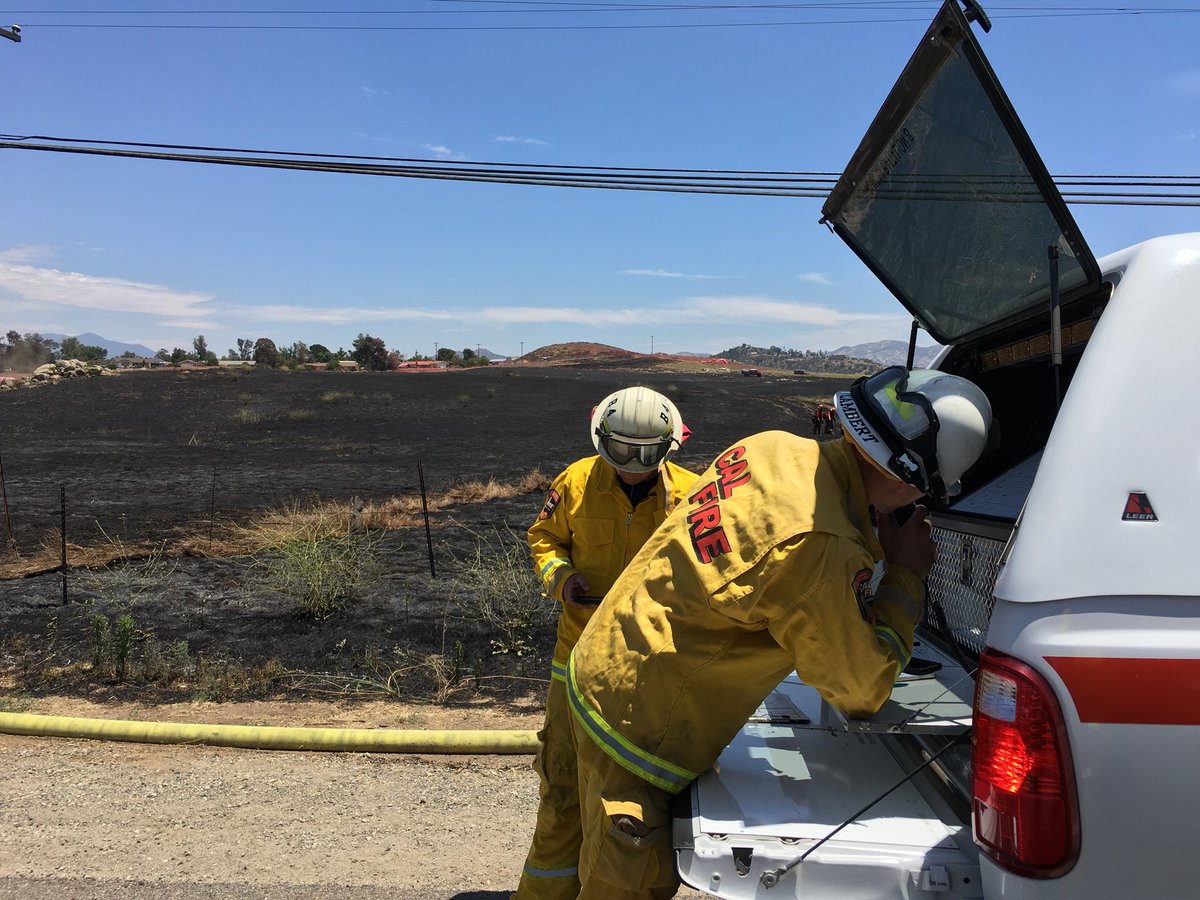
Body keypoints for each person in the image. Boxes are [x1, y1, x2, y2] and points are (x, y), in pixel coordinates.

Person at [563, 367, 994, 899]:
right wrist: (904, 572)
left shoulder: (772, 448)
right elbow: (860, 689)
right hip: (640, 725)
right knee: (625, 883)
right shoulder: (820, 542)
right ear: (909, 480)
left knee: (582, 848)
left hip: (608, 662)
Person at [514, 386, 699, 900]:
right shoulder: (574, 482)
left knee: (628, 800)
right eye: (621, 453)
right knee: (563, 786)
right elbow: (544, 538)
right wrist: (562, 577)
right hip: (574, 660)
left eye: (646, 455)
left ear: (669, 446)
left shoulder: (692, 496)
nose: (634, 467)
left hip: (648, 666)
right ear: (602, 442)